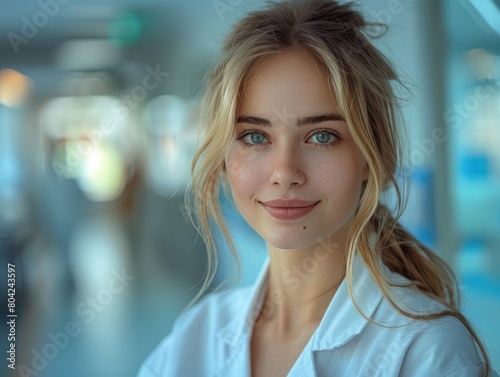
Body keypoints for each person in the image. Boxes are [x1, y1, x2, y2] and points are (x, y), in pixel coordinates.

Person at [137, 0, 498, 376]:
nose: (285, 172)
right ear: (224, 159)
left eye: (322, 136)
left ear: (372, 157)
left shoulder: (426, 349)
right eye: (255, 136)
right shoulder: (198, 334)